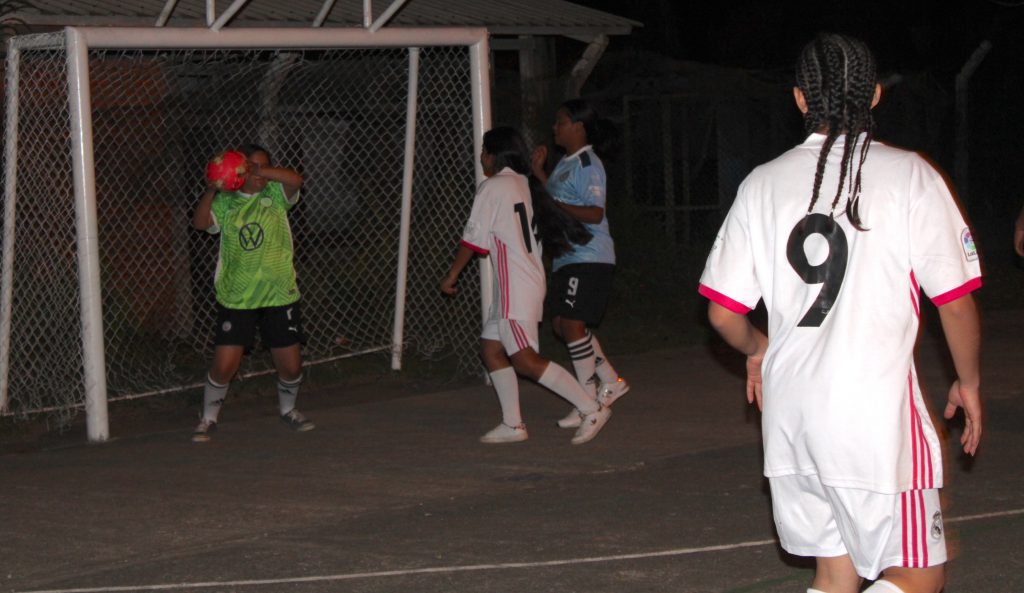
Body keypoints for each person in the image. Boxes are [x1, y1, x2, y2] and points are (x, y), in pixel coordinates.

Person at [698, 33, 982, 593]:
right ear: (875, 96)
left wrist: (759, 351)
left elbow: (722, 313)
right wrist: (967, 381)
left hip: (793, 419)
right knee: (920, 578)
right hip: (874, 420)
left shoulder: (762, 183)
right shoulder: (910, 175)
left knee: (835, 573)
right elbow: (954, 300)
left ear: (800, 99)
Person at [440, 126, 612, 445]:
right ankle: (513, 424)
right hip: (523, 283)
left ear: (493, 155)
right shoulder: (523, 183)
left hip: (516, 287)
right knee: (491, 350)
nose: (480, 156)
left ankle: (591, 407)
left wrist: (452, 275)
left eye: (483, 150)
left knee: (525, 360)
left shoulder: (493, 186)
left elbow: (472, 241)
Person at [191, 143, 313, 442]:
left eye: (264, 167)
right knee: (224, 366)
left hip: (279, 294)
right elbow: (200, 223)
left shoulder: (275, 194)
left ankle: (288, 411)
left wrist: (262, 170)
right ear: (238, 173)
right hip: (238, 297)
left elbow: (296, 180)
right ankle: (208, 418)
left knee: (291, 365)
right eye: (252, 168)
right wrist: (212, 189)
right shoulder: (226, 202)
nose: (259, 173)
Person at [530, 99, 630, 430]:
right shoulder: (566, 163)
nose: (555, 128)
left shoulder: (589, 163)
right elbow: (557, 197)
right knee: (562, 325)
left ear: (579, 126)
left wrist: (557, 205)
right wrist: (540, 173)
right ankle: (610, 380)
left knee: (571, 325)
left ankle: (587, 401)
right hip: (567, 255)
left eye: (561, 122)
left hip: (589, 255)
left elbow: (594, 212)